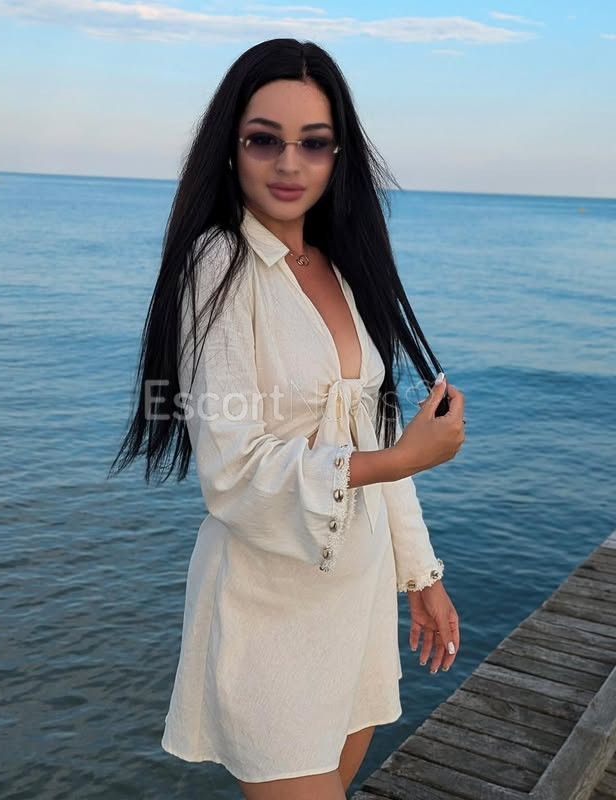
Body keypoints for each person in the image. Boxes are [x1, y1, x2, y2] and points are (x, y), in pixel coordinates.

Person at [109, 38, 465, 800]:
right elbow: (232, 470)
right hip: (267, 607)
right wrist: (402, 459)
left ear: (338, 156)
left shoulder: (340, 266)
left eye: (314, 143)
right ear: (230, 147)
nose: (289, 164)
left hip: (355, 601)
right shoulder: (217, 266)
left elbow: (369, 430)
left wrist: (421, 576)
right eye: (264, 139)